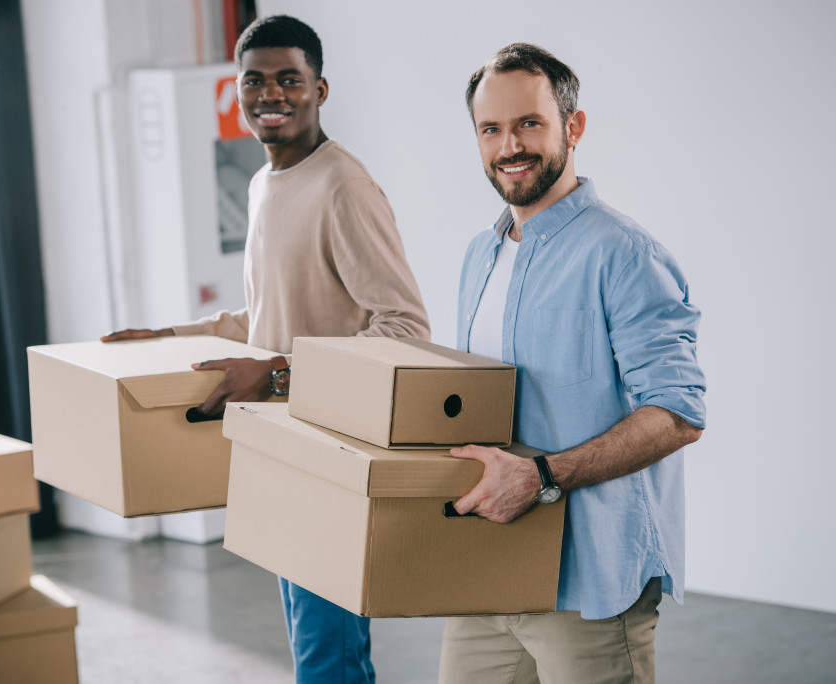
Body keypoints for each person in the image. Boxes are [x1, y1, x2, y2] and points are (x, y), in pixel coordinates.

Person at [103, 15, 429, 683]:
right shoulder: (264, 184)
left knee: (328, 658)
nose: (270, 94)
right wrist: (170, 336)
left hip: (332, 450)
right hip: (283, 446)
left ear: (320, 89)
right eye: (254, 80)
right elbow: (273, 312)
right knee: (316, 649)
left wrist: (277, 373)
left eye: (289, 80)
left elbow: (404, 329)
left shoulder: (343, 185)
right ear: (237, 89)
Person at [440, 43, 706, 684]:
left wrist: (542, 476)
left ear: (573, 127)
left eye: (529, 123)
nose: (510, 146)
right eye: (491, 129)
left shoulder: (624, 254)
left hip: (591, 580)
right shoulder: (481, 253)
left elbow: (678, 413)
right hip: (489, 569)